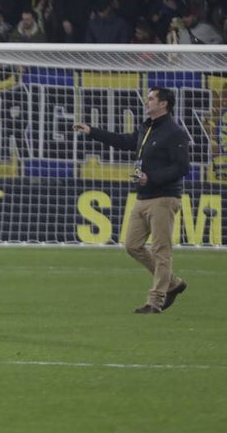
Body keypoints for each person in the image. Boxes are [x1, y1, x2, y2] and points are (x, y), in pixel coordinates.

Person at [73, 88, 190, 313]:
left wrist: (152, 177)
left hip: (164, 198)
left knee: (161, 250)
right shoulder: (147, 128)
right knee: (132, 245)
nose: (147, 102)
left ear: (164, 104)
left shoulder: (174, 132)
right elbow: (125, 141)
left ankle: (155, 302)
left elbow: (182, 167)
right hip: (143, 197)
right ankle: (173, 283)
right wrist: (92, 131)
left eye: (151, 99)